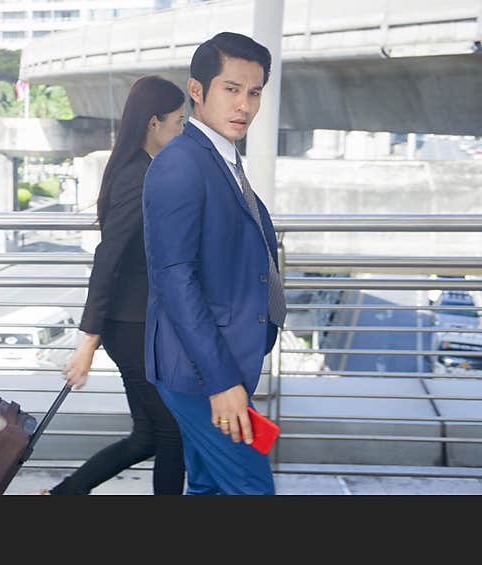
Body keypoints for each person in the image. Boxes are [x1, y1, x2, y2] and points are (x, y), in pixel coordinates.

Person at [142, 32, 284, 495]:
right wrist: (222, 382)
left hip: (218, 361)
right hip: (202, 372)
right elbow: (173, 278)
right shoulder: (181, 164)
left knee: (207, 487)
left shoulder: (221, 159)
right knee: (251, 488)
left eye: (254, 92)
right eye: (231, 89)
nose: (244, 104)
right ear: (197, 91)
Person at [42, 76, 187, 495]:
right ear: (154, 122)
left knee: (147, 436)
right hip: (130, 326)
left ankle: (61, 495)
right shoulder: (137, 176)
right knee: (172, 434)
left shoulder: (145, 169)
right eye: (179, 121)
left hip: (138, 324)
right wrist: (88, 339)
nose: (182, 130)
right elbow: (108, 257)